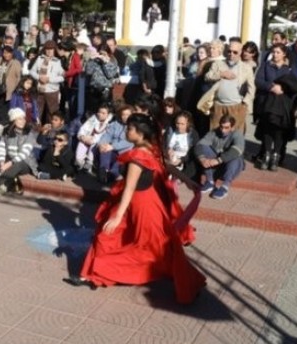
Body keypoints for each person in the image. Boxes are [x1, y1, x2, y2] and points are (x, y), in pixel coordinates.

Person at [67, 113, 206, 304]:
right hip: (146, 203)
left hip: (142, 206)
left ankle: (189, 283)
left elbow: (130, 187)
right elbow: (166, 166)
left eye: (130, 128)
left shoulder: (138, 156)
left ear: (140, 133)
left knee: (156, 246)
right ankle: (94, 274)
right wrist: (188, 181)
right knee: (114, 238)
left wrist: (118, 216)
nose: (126, 130)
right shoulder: (150, 148)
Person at [0, 107, 38, 197]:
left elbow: (24, 154)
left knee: (17, 165)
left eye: (23, 118)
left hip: (25, 162)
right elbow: (1, 147)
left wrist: (8, 164)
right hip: (9, 159)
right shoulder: (7, 132)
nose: (23, 121)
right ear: (13, 121)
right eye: (19, 119)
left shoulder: (29, 133)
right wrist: (1, 161)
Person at [194, 114, 246, 200]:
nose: (223, 130)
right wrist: (202, 159)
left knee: (236, 157)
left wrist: (218, 160)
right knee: (204, 147)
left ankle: (225, 187)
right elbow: (199, 145)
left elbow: (237, 149)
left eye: (226, 128)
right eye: (221, 127)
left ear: (232, 127)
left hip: (230, 167)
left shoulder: (237, 134)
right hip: (215, 166)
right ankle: (209, 181)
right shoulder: (214, 132)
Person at [96, 104, 134, 183]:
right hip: (112, 150)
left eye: (127, 114)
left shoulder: (133, 127)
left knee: (115, 169)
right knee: (105, 149)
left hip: (125, 152)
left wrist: (113, 146)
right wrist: (101, 144)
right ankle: (103, 170)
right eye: (123, 114)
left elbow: (129, 142)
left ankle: (114, 176)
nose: (125, 117)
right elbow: (107, 135)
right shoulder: (115, 124)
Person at [30, 41, 64, 123]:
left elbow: (62, 77)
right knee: (37, 111)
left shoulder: (58, 62)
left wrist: (49, 79)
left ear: (54, 50)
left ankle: (50, 128)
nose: (49, 51)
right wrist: (39, 77)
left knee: (51, 112)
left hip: (52, 91)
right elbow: (31, 71)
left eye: (51, 49)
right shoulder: (39, 59)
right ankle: (36, 127)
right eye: (47, 49)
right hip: (40, 90)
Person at [75, 103, 113, 173]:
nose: (100, 114)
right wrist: (83, 137)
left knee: (93, 148)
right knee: (78, 157)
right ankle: (80, 165)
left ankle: (89, 165)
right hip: (86, 139)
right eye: (99, 112)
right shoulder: (93, 119)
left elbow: (105, 137)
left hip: (96, 143)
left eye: (103, 113)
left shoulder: (110, 124)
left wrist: (93, 140)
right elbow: (83, 129)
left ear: (108, 115)